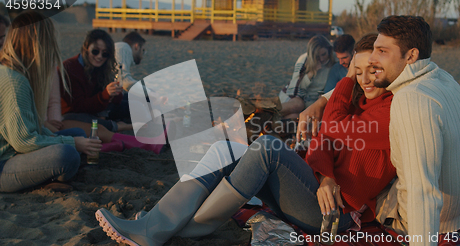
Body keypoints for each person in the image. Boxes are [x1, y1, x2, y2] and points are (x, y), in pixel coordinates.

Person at [95, 34, 397, 246]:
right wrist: (327, 172)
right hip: (312, 190)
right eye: (356, 71)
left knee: (266, 146)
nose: (364, 79)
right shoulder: (354, 100)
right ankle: (160, 222)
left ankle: (161, 228)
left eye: (370, 71)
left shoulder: (388, 110)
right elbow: (324, 139)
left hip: (334, 215)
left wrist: (340, 87)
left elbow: (343, 142)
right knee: (226, 148)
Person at [368, 15, 460, 245]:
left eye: (382, 51)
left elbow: (421, 191)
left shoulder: (411, 99)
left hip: (441, 219)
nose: (373, 58)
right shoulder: (443, 78)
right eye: (374, 49)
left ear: (411, 56)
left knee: (359, 184)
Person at [0, 11, 102, 193]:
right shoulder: (14, 81)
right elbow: (23, 141)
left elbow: (32, 128)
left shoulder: (13, 72)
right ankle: (45, 178)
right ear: (37, 44)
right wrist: (72, 143)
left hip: (14, 152)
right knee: (67, 154)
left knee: (77, 133)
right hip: (4, 164)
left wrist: (68, 139)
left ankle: (47, 175)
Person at [60, 29, 132, 133]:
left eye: (105, 54)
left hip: (97, 107)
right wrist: (105, 95)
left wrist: (115, 93)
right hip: (74, 114)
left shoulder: (101, 67)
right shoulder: (70, 68)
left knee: (133, 101)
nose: (99, 56)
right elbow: (79, 106)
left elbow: (115, 101)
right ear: (86, 48)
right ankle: (121, 126)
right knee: (92, 121)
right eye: (95, 51)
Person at [279, 35, 335, 119]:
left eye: (324, 54)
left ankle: (270, 121)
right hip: (294, 97)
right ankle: (267, 112)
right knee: (298, 104)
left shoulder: (335, 61)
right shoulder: (304, 59)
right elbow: (296, 88)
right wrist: (311, 73)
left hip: (314, 101)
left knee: (295, 117)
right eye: (317, 56)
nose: (322, 59)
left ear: (329, 50)